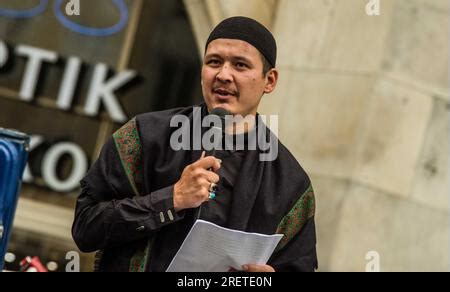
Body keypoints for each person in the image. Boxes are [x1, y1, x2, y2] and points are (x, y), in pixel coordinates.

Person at [72, 16, 318, 272]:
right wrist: (171, 199)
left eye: (240, 65)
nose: (223, 75)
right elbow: (85, 228)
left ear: (270, 81)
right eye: (214, 62)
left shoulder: (289, 182)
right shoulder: (145, 136)